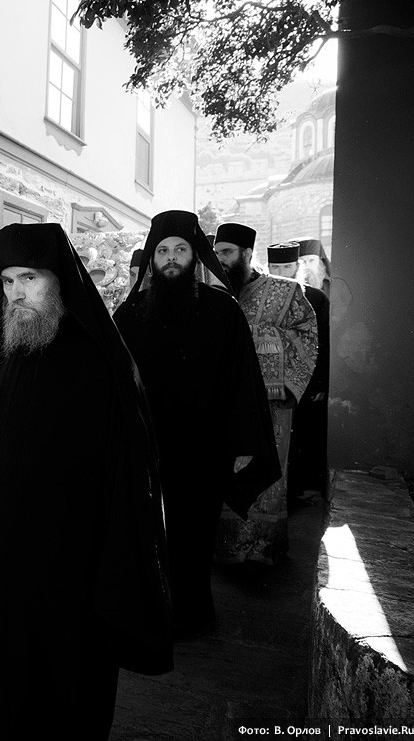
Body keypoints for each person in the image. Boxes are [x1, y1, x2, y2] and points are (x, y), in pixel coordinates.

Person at [0, 222, 173, 740]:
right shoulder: (2, 358)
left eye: (29, 279)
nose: (15, 293)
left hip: (66, 584)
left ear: (58, 282)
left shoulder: (102, 366)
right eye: (8, 280)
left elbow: (129, 486)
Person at [113, 211, 280, 636]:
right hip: (147, 449)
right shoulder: (129, 314)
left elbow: (243, 381)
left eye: (180, 249)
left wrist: (243, 446)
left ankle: (191, 614)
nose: (170, 257)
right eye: (162, 250)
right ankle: (150, 613)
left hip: (203, 450)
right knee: (148, 534)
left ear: (195, 256)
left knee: (193, 535)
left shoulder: (223, 312)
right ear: (152, 259)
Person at [213, 223, 318, 565]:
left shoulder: (286, 292)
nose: (220, 259)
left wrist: (252, 336)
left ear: (246, 254)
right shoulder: (212, 293)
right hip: (223, 405)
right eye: (216, 253)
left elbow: (307, 337)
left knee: (264, 474)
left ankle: (261, 548)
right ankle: (221, 547)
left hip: (269, 406)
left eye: (226, 252)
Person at [267, 242, 330, 506]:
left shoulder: (316, 297)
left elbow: (324, 343)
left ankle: (298, 493)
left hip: (307, 383)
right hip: (275, 383)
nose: (281, 273)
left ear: (297, 267)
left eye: (287, 267)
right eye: (276, 267)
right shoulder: (265, 298)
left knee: (301, 438)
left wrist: (321, 383)